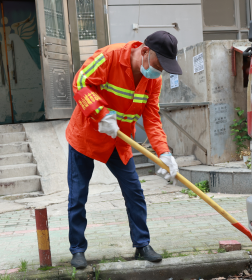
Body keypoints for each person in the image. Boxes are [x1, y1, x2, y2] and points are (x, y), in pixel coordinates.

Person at [65, 31, 182, 269]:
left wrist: (164, 154)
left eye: (163, 69)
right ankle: (77, 249)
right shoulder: (108, 57)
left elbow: (151, 118)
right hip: (86, 135)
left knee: (134, 192)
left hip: (119, 142)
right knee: (78, 195)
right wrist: (100, 113)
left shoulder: (153, 80)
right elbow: (79, 82)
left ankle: (142, 245)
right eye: (158, 66)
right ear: (144, 52)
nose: (158, 73)